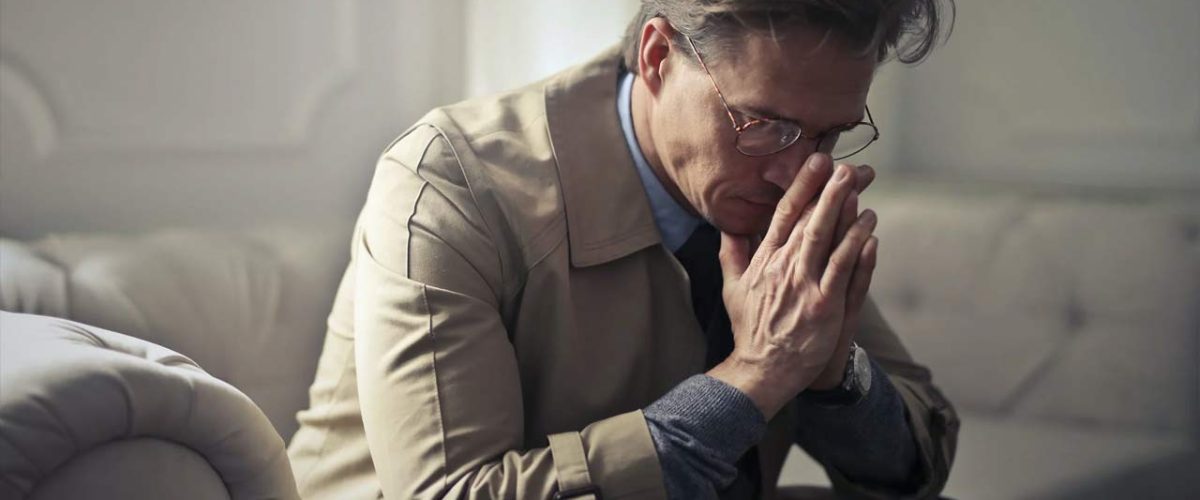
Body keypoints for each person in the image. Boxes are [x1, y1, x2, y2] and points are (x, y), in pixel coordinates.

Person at [288, 1, 959, 498]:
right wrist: (758, 375)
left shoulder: (783, 189)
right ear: (657, 56)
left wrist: (833, 372)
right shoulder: (450, 182)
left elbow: (917, 466)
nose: (797, 173)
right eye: (766, 125)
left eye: (831, 134)